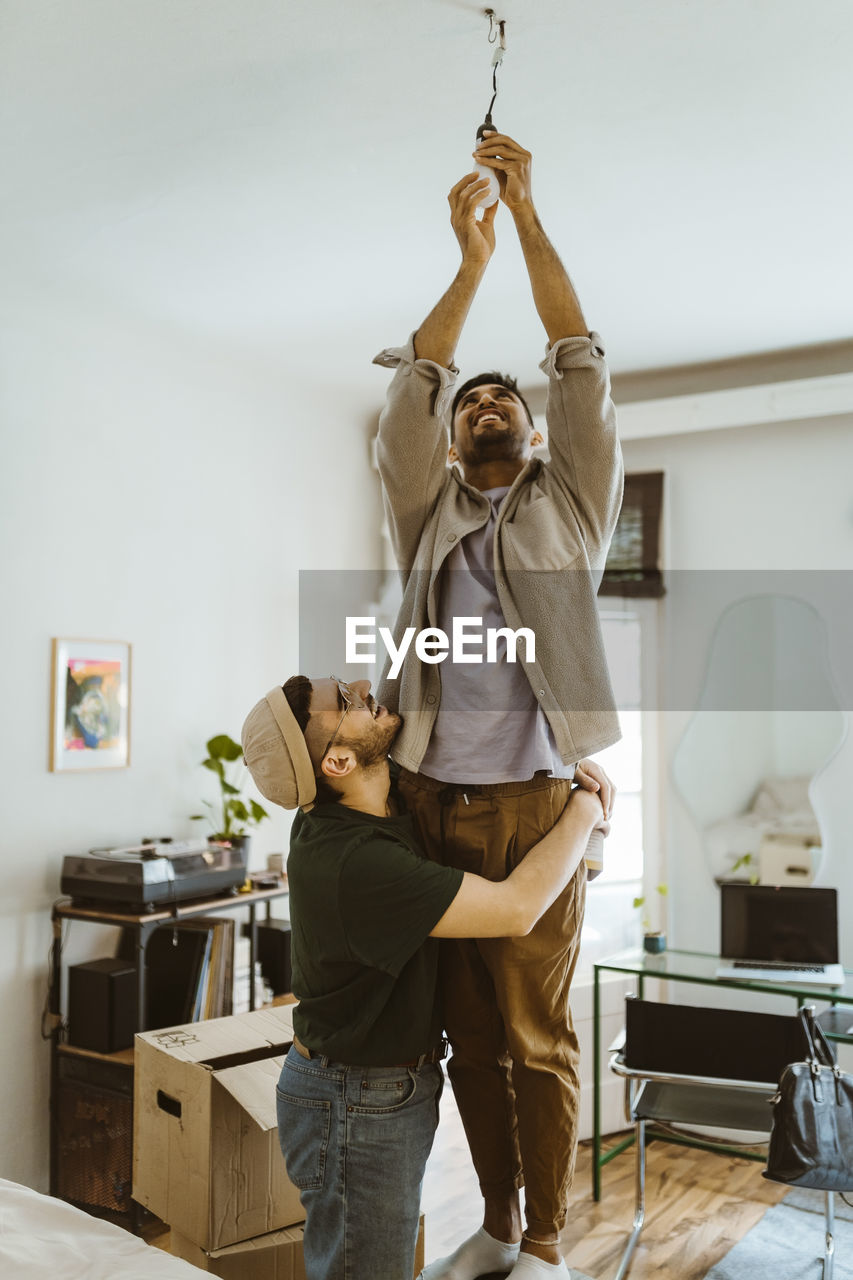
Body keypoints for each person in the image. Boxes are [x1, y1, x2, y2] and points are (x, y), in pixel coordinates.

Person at [372, 133, 623, 1278]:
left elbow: (577, 357)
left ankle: (549, 1241)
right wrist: (463, 264)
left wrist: (522, 215)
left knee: (535, 1033)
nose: (479, 402)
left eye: (498, 397)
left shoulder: (569, 506)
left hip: (529, 806)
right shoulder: (424, 514)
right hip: (426, 802)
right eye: (468, 397)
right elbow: (411, 389)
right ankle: (498, 1216)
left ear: (524, 433)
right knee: (465, 1035)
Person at [241, 676, 608, 1280]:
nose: (365, 687)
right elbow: (517, 909)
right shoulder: (359, 862)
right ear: (337, 761)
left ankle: (505, 1228)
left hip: (365, 1090)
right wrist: (586, 808)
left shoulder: (373, 807)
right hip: (355, 1103)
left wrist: (554, 759)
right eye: (348, 703)